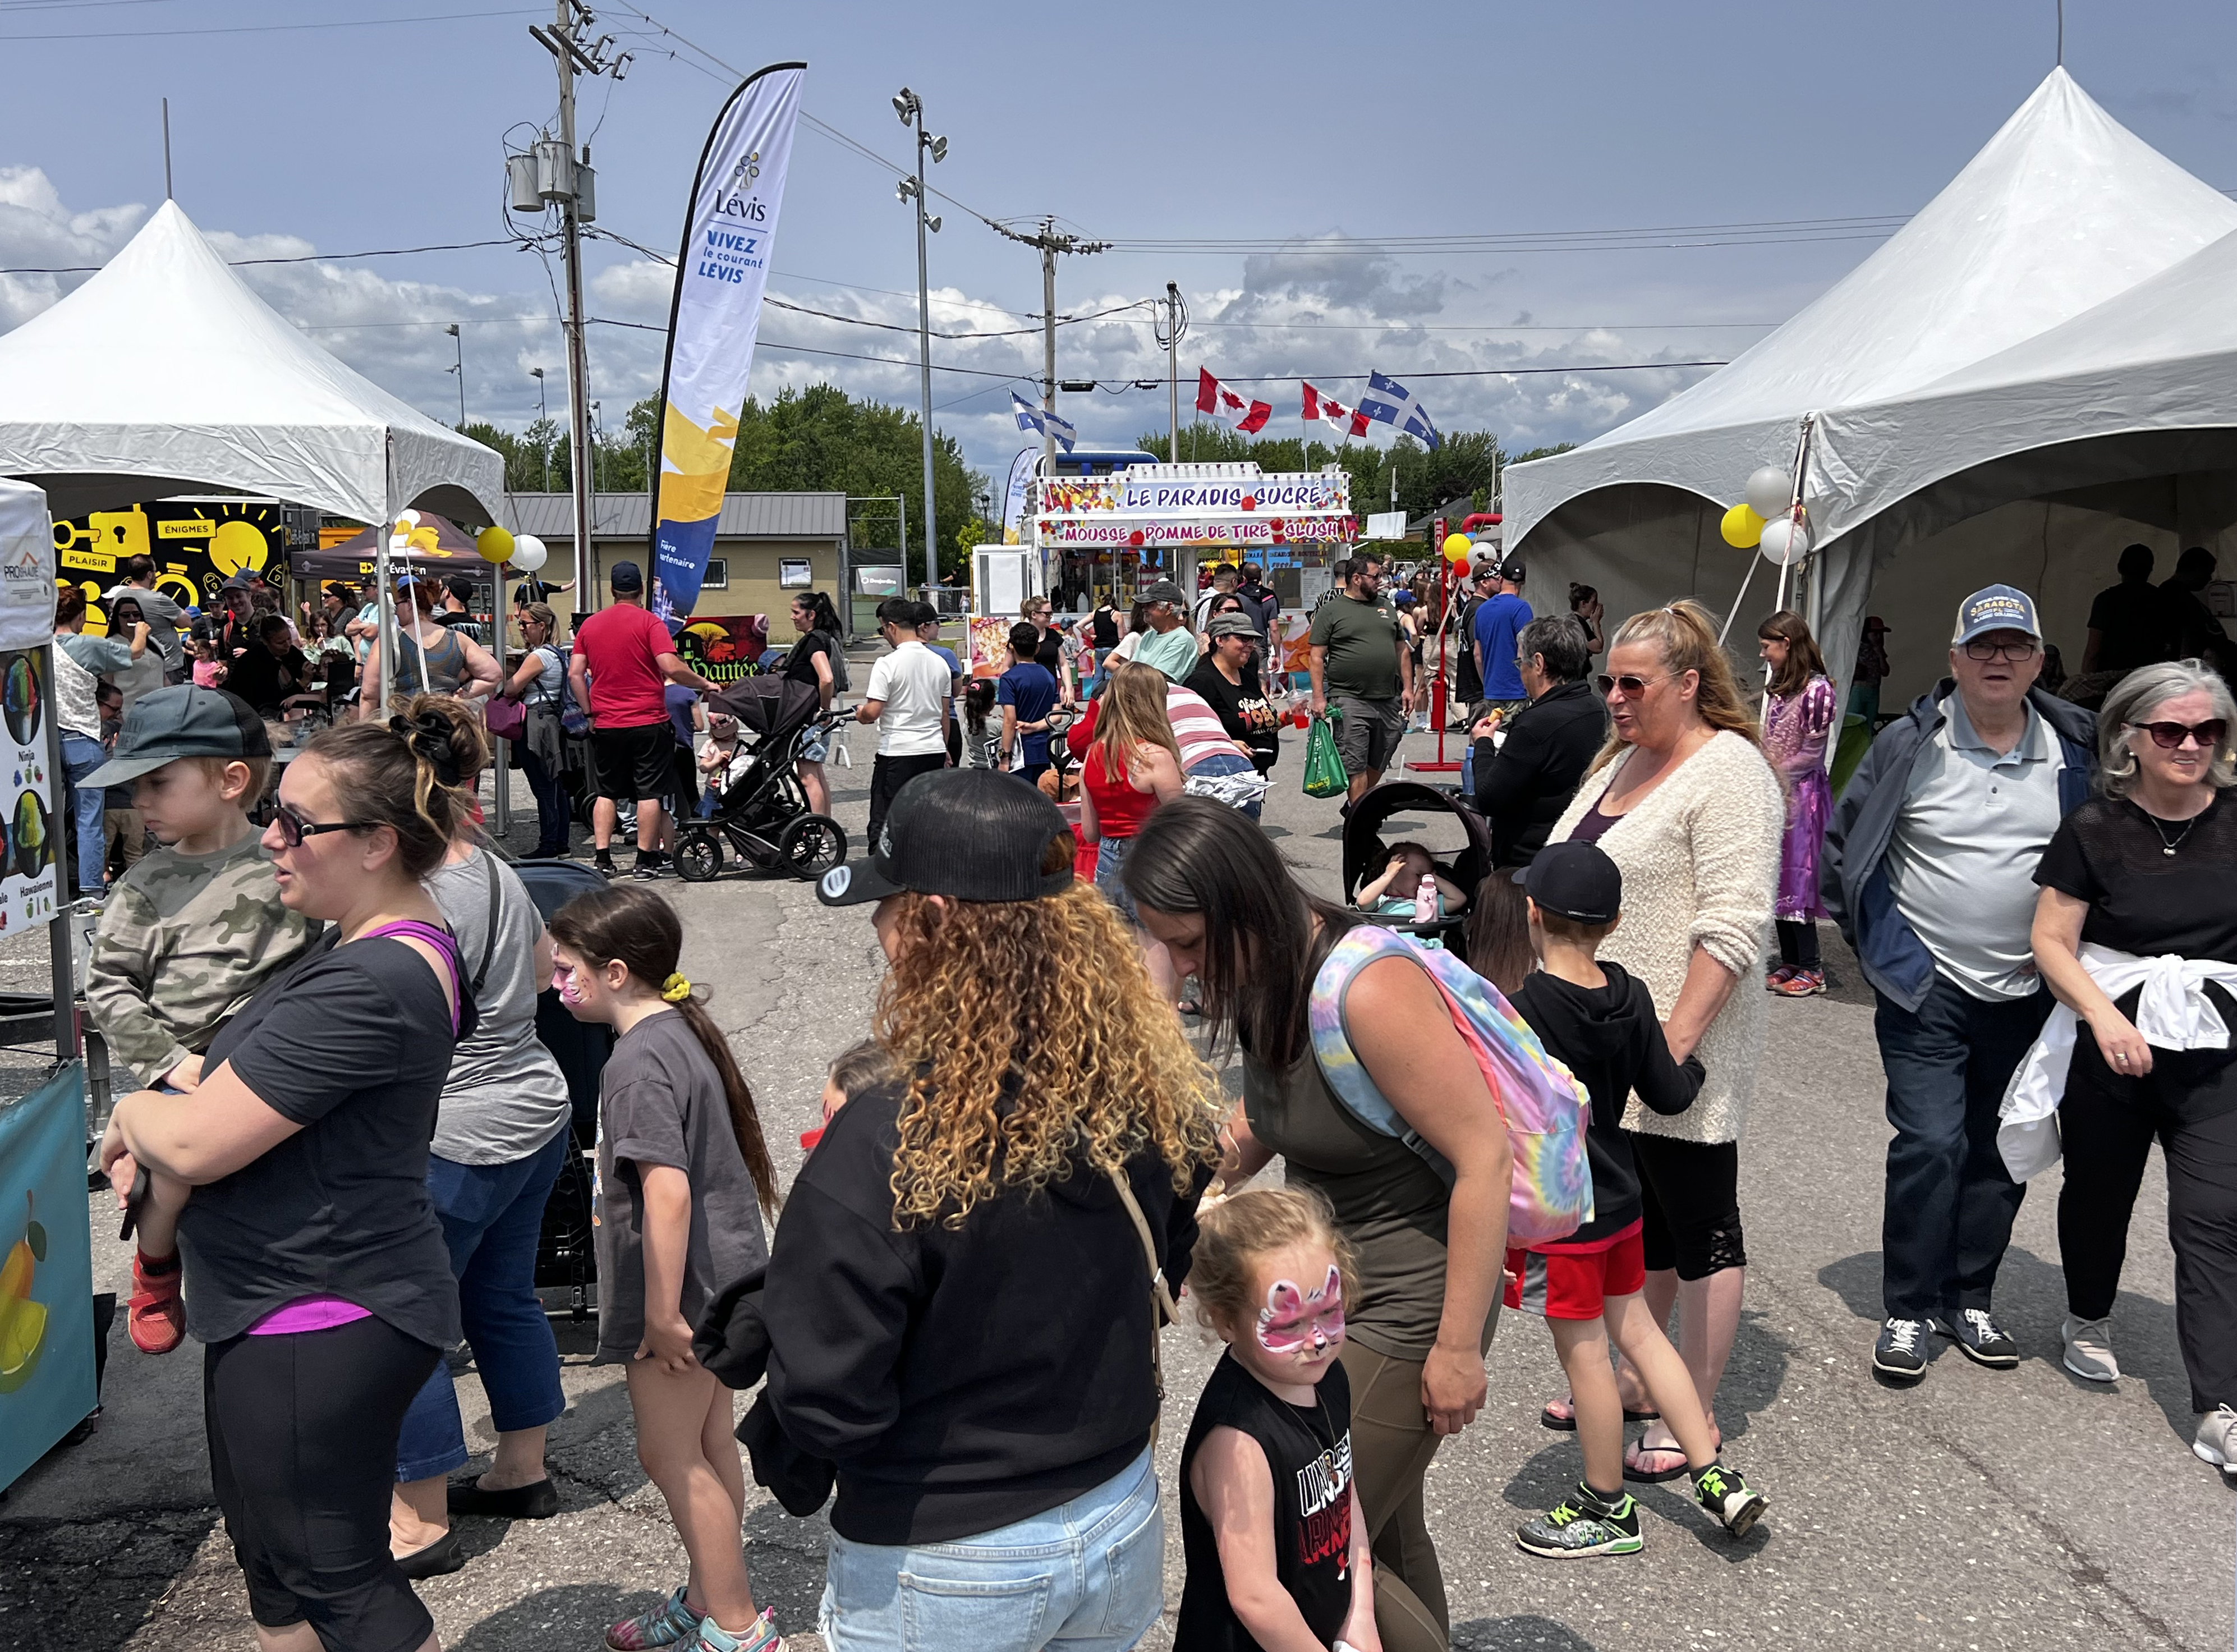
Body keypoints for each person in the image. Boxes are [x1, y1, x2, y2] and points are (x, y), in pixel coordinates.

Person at [774, 771, 1221, 1651]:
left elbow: (829, 1399)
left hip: (947, 1552)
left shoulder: (879, 1138)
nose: (876, 929)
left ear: (936, 919)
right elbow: (1164, 1252)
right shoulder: (1140, 1083)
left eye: (889, 906)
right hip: (1115, 1509)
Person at [96, 710, 482, 1652]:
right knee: (278, 1569)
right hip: (273, 1301)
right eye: (275, 812)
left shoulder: (369, 981)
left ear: (377, 842)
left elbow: (188, 1146)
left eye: (298, 823)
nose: (273, 836)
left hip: (318, 1312)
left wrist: (132, 1117)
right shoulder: (348, 949)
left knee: (341, 1579)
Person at [1126, 800, 1511, 1652]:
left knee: (1321, 1551)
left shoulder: (1364, 987)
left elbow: (1483, 1157)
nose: (1183, 970)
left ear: (1241, 904)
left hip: (1410, 1299)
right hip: (1322, 1287)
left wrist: (1455, 1348)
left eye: (1189, 943)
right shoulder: (1269, 971)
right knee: (1388, 1529)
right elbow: (1265, 1121)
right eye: (1166, 945)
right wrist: (1158, 1198)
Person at [1822, 584, 2096, 1383]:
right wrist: (1884, 959)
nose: (1997, 659)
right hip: (1925, 989)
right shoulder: (1911, 744)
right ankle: (1907, 1306)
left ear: (2039, 661)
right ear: (1953, 660)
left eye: (2013, 646)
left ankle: (1966, 1295)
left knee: (1998, 1149)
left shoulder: (2074, 747)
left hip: (2029, 992)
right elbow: (1843, 855)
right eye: (1981, 647)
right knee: (1929, 1142)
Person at [1545, 600, 1783, 1477]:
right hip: (1603, 1047)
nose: (1611, 696)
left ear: (1687, 685)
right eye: (1606, 681)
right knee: (1626, 1220)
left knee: (1699, 1224)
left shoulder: (1728, 772)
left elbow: (1730, 928)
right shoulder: (1621, 754)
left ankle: (1693, 1409)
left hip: (1680, 1046)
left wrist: (1668, 1055)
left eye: (1630, 683)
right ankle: (1638, 1376)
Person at [1504, 841, 1768, 1556]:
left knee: (1586, 1355)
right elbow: (1669, 1094)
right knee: (1645, 1336)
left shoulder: (1521, 1011)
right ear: (1615, 921)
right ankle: (1715, 1474)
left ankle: (1606, 1504)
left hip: (1567, 1212)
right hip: (1624, 1198)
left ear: (1532, 914)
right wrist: (1699, 1067)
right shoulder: (1631, 993)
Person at [549, 883, 782, 1652]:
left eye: (566, 970)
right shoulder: (675, 1031)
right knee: (710, 1444)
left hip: (684, 1296)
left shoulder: (635, 1063)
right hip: (722, 1281)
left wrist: (659, 1312)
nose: (558, 986)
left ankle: (739, 1630)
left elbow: (667, 1194)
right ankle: (706, 1596)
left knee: (668, 1453)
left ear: (615, 971)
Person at [2022, 661, 2237, 1479]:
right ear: (2130, 739)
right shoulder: (2092, 827)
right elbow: (2050, 940)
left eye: (2206, 731)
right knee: (2097, 1197)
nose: (2189, 745)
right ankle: (2085, 1316)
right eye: (2170, 731)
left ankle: (2218, 1405)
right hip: (2114, 1047)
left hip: (2216, 1058)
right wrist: (2103, 1015)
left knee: (2213, 1221)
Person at [82, 688, 319, 1354]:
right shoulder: (143, 886)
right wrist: (164, 1062)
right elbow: (109, 987)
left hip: (278, 1057)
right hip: (185, 1060)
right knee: (172, 1164)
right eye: (136, 785)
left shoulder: (290, 861)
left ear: (231, 780)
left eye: (158, 782)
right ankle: (155, 1266)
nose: (141, 800)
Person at [1174, 1187, 1378, 1652]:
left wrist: (1359, 1617)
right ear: (1226, 1322)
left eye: (1328, 1311)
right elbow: (1255, 1596)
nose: (1318, 1340)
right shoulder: (1238, 1440)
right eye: (1288, 1325)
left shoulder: (1329, 1379)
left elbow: (1345, 1501)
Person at [570, 561, 715, 880]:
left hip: (607, 723)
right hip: (648, 721)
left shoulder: (590, 626)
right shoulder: (651, 623)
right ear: (641, 591)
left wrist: (589, 711)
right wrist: (703, 683)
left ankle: (603, 859)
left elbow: (575, 673)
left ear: (611, 590)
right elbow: (669, 665)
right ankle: (644, 862)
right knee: (650, 794)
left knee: (607, 793)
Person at [1468, 614, 1603, 868]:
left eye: (1521, 662)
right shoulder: (1598, 709)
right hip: (1581, 850)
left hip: (1529, 861)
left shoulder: (1536, 723)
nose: (1520, 671)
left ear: (1539, 664)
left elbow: (1490, 797)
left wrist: (1483, 744)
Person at [1759, 610, 1839, 997]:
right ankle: (1790, 958)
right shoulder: (1783, 688)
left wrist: (1771, 773)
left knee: (1798, 876)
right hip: (1776, 793)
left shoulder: (1816, 692)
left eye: (1766, 646)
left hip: (1801, 796)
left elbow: (1811, 754)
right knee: (1776, 877)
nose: (1764, 655)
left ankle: (1811, 966)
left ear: (1785, 643)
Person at [57, 585, 151, 901]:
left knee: (50, 817)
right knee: (89, 822)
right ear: (81, 615)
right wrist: (141, 630)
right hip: (83, 740)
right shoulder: (86, 645)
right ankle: (91, 890)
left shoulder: (38, 647)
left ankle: (49, 887)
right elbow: (135, 652)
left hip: (46, 743)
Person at [1078, 661, 1184, 918]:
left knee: (1117, 946)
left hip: (1106, 861)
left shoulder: (1092, 756)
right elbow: (1180, 826)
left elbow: (1091, 833)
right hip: (1150, 860)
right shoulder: (1155, 756)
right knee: (1156, 946)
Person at [1308, 555, 1413, 805]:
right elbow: (1316, 656)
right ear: (1356, 579)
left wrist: (1408, 688)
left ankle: (1357, 806)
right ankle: (1359, 825)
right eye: (1375, 576)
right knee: (1355, 764)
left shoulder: (1386, 607)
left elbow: (1402, 650)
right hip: (1349, 698)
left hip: (1388, 698)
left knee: (1380, 759)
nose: (1381, 581)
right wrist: (1319, 697)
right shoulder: (1331, 610)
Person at [856, 596, 952, 852]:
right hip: (932, 749)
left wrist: (861, 714)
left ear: (891, 626)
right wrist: (945, 748)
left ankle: (884, 869)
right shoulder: (939, 663)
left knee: (886, 815)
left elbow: (873, 711)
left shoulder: (888, 664)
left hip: (898, 751)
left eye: (882, 629)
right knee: (926, 814)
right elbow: (945, 714)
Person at [360, 576, 501, 710]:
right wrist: (459, 697)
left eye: (398, 605)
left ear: (409, 604)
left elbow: (368, 694)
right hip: (447, 719)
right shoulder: (458, 639)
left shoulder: (389, 642)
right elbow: (493, 674)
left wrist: (369, 730)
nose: (396, 612)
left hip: (405, 719)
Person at [499, 602, 572, 859]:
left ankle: (548, 846)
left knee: (543, 787)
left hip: (536, 721)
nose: (521, 628)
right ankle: (560, 843)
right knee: (555, 785)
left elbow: (510, 688)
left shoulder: (538, 656)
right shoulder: (558, 653)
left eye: (525, 623)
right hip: (552, 721)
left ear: (541, 626)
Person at [1187, 613, 1283, 777]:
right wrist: (1228, 744)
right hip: (1223, 778)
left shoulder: (1247, 676)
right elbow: (1190, 733)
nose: (1250, 645)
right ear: (1220, 641)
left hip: (1256, 776)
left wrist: (1283, 720)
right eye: (1243, 639)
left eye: (1252, 640)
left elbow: (1255, 722)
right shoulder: (1203, 681)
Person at [786, 591, 843, 815]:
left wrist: (824, 709)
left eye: (796, 612)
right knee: (816, 774)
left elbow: (826, 677)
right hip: (815, 717)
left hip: (810, 717)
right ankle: (826, 831)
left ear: (811, 614)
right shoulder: (824, 637)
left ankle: (815, 832)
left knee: (807, 777)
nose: (792, 617)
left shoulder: (814, 641)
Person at [1352, 840, 1469, 940]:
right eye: (1418, 875)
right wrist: (1388, 875)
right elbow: (1362, 901)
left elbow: (1459, 899)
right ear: (1396, 872)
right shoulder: (1379, 901)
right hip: (1384, 946)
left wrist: (1432, 878)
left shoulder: (1427, 902)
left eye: (1425, 877)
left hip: (1418, 949)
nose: (1422, 881)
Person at [2083, 544, 2171, 676]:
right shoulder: (2163, 600)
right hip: (2149, 678)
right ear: (2149, 570)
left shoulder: (2106, 600)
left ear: (2120, 568)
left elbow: (2093, 650)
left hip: (2111, 680)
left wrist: (2086, 679)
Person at [997, 620, 1060, 784]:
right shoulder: (1048, 676)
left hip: (1019, 753)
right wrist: (1034, 727)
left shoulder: (1009, 679)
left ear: (1011, 647)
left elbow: (1010, 720)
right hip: (1043, 751)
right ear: (1037, 648)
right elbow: (1056, 716)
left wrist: (1005, 757)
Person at [105, 553, 187, 681]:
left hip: (138, 663)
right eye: (154, 572)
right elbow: (186, 622)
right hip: (167, 666)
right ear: (149, 574)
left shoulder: (119, 596)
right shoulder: (158, 598)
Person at [1469, 558, 1532, 725]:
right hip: (1516, 691)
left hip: (1492, 691)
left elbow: (1477, 654)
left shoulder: (1482, 609)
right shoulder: (1522, 608)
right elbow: (1523, 651)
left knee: (1491, 739)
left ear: (1501, 578)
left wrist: (1488, 682)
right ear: (1523, 582)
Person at [2160, 546, 2233, 676]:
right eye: (2208, 572)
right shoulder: (2175, 597)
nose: (2210, 578)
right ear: (2197, 569)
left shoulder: (2183, 597)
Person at [226, 615, 314, 720]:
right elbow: (277, 700)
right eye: (280, 643)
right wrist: (303, 682)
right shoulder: (254, 662)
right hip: (252, 714)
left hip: (274, 714)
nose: (287, 645)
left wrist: (326, 664)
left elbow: (312, 671)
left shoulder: (290, 652)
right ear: (265, 642)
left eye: (289, 639)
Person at [914, 604, 964, 766]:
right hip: (946, 721)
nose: (939, 627)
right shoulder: (945, 655)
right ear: (924, 627)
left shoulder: (897, 655)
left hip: (916, 724)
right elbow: (956, 692)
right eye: (937, 622)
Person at [104, 594, 169, 714]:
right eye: (126, 615)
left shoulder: (154, 643)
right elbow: (107, 684)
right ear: (116, 618)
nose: (132, 619)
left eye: (136, 614)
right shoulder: (110, 645)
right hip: (129, 711)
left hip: (160, 709)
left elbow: (164, 678)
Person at [1133, 579, 1201, 682]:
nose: (1144, 609)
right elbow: (1131, 670)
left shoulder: (1183, 639)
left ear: (1169, 608)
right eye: (1143, 605)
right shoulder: (1149, 636)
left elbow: (1156, 679)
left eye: (1150, 605)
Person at [1451, 568, 1494, 720]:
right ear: (1484, 582)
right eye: (1496, 578)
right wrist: (1486, 683)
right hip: (1478, 685)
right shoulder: (1478, 608)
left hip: (1475, 683)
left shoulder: (1474, 605)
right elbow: (1477, 652)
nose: (1500, 582)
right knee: (1480, 734)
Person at [1024, 594, 1079, 706]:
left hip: (1049, 691)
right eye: (1047, 614)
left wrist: (1069, 689)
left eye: (1051, 613)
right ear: (1034, 615)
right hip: (1026, 693)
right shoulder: (1021, 635)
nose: (1051, 617)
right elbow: (1008, 667)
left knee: (1055, 719)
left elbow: (1063, 664)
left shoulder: (1053, 636)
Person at [1848, 615, 1891, 727]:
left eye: (1881, 635)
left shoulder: (1878, 650)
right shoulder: (1856, 648)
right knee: (1853, 719)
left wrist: (1881, 655)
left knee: (1869, 722)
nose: (1879, 638)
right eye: (1875, 634)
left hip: (1874, 689)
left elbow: (1885, 671)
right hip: (1858, 689)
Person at [958, 680, 1000, 771]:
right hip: (992, 773)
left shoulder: (967, 723)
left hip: (973, 770)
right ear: (992, 702)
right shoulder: (998, 725)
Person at [1236, 561, 1280, 639]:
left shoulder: (1237, 597)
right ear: (1261, 577)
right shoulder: (1270, 597)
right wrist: (1277, 651)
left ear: (1244, 578)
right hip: (1261, 644)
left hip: (1241, 644)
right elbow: (1274, 629)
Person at [1568, 582, 1606, 660]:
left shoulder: (1573, 620)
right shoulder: (1577, 623)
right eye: (1594, 602)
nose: (1597, 606)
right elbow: (1598, 647)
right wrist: (1596, 622)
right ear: (1583, 603)